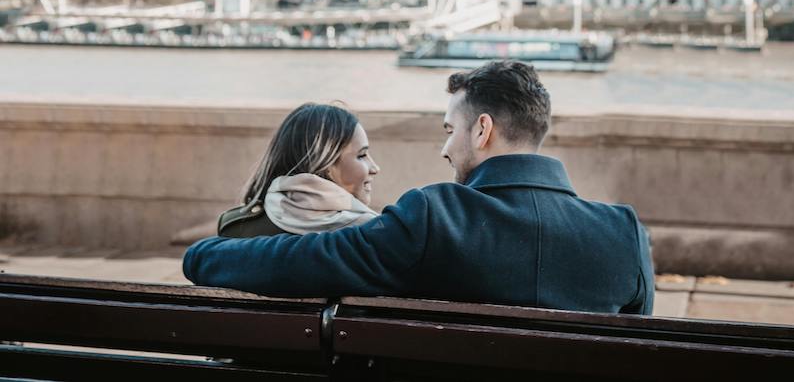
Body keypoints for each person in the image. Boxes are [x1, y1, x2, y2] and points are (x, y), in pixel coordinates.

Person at [184, 61, 654, 314]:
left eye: (450, 129)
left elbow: (306, 261)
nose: (444, 149)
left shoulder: (434, 217)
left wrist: (202, 255)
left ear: (482, 130)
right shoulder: (624, 234)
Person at [217, 103, 381, 238]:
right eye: (362, 155)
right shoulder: (374, 235)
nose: (375, 168)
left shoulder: (236, 227)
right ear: (324, 163)